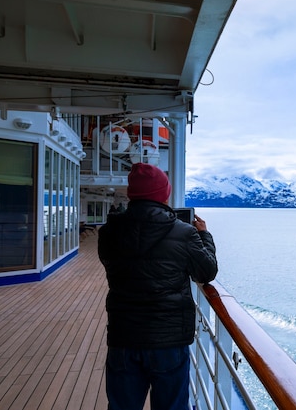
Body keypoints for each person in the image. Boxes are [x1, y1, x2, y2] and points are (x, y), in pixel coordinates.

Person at [98, 163, 218, 410]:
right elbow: (207, 272)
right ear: (164, 194)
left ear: (133, 194)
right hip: (168, 340)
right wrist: (204, 235)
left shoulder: (109, 232)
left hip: (124, 336)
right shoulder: (184, 233)